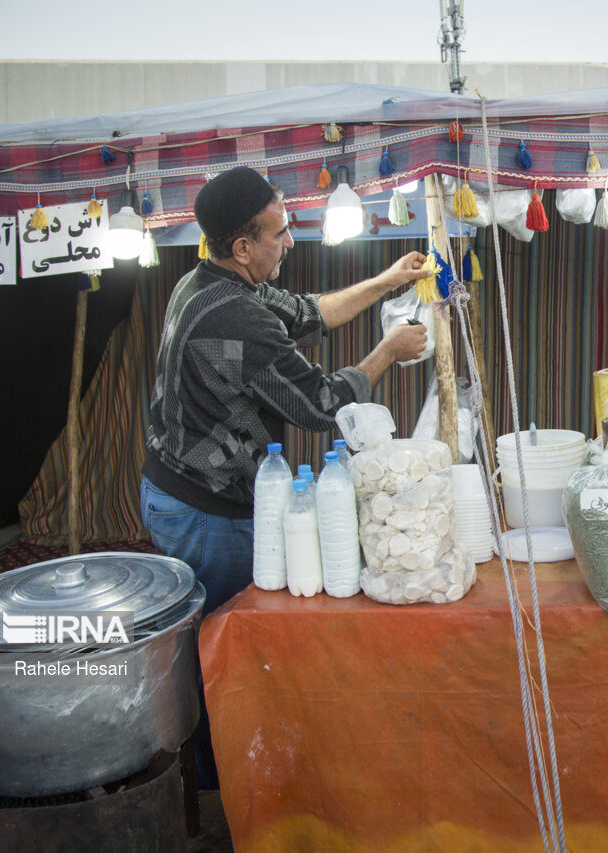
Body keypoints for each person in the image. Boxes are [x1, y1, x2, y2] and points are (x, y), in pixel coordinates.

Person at [139, 166, 427, 788]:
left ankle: (220, 771)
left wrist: (387, 282)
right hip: (200, 506)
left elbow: (306, 313)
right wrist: (389, 351)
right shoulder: (234, 316)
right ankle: (220, 785)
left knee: (214, 638)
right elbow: (321, 406)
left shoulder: (211, 280)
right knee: (221, 647)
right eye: (280, 232)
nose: (291, 241)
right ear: (244, 247)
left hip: (175, 486)